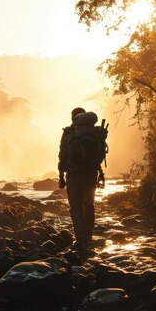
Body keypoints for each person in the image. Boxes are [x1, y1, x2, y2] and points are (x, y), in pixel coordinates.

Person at [57, 107, 106, 250]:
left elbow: (62, 155)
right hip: (91, 174)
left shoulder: (69, 132)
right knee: (89, 205)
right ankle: (88, 238)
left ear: (73, 118)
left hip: (73, 174)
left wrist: (61, 175)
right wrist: (100, 173)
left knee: (75, 208)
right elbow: (99, 154)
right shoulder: (95, 133)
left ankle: (81, 240)